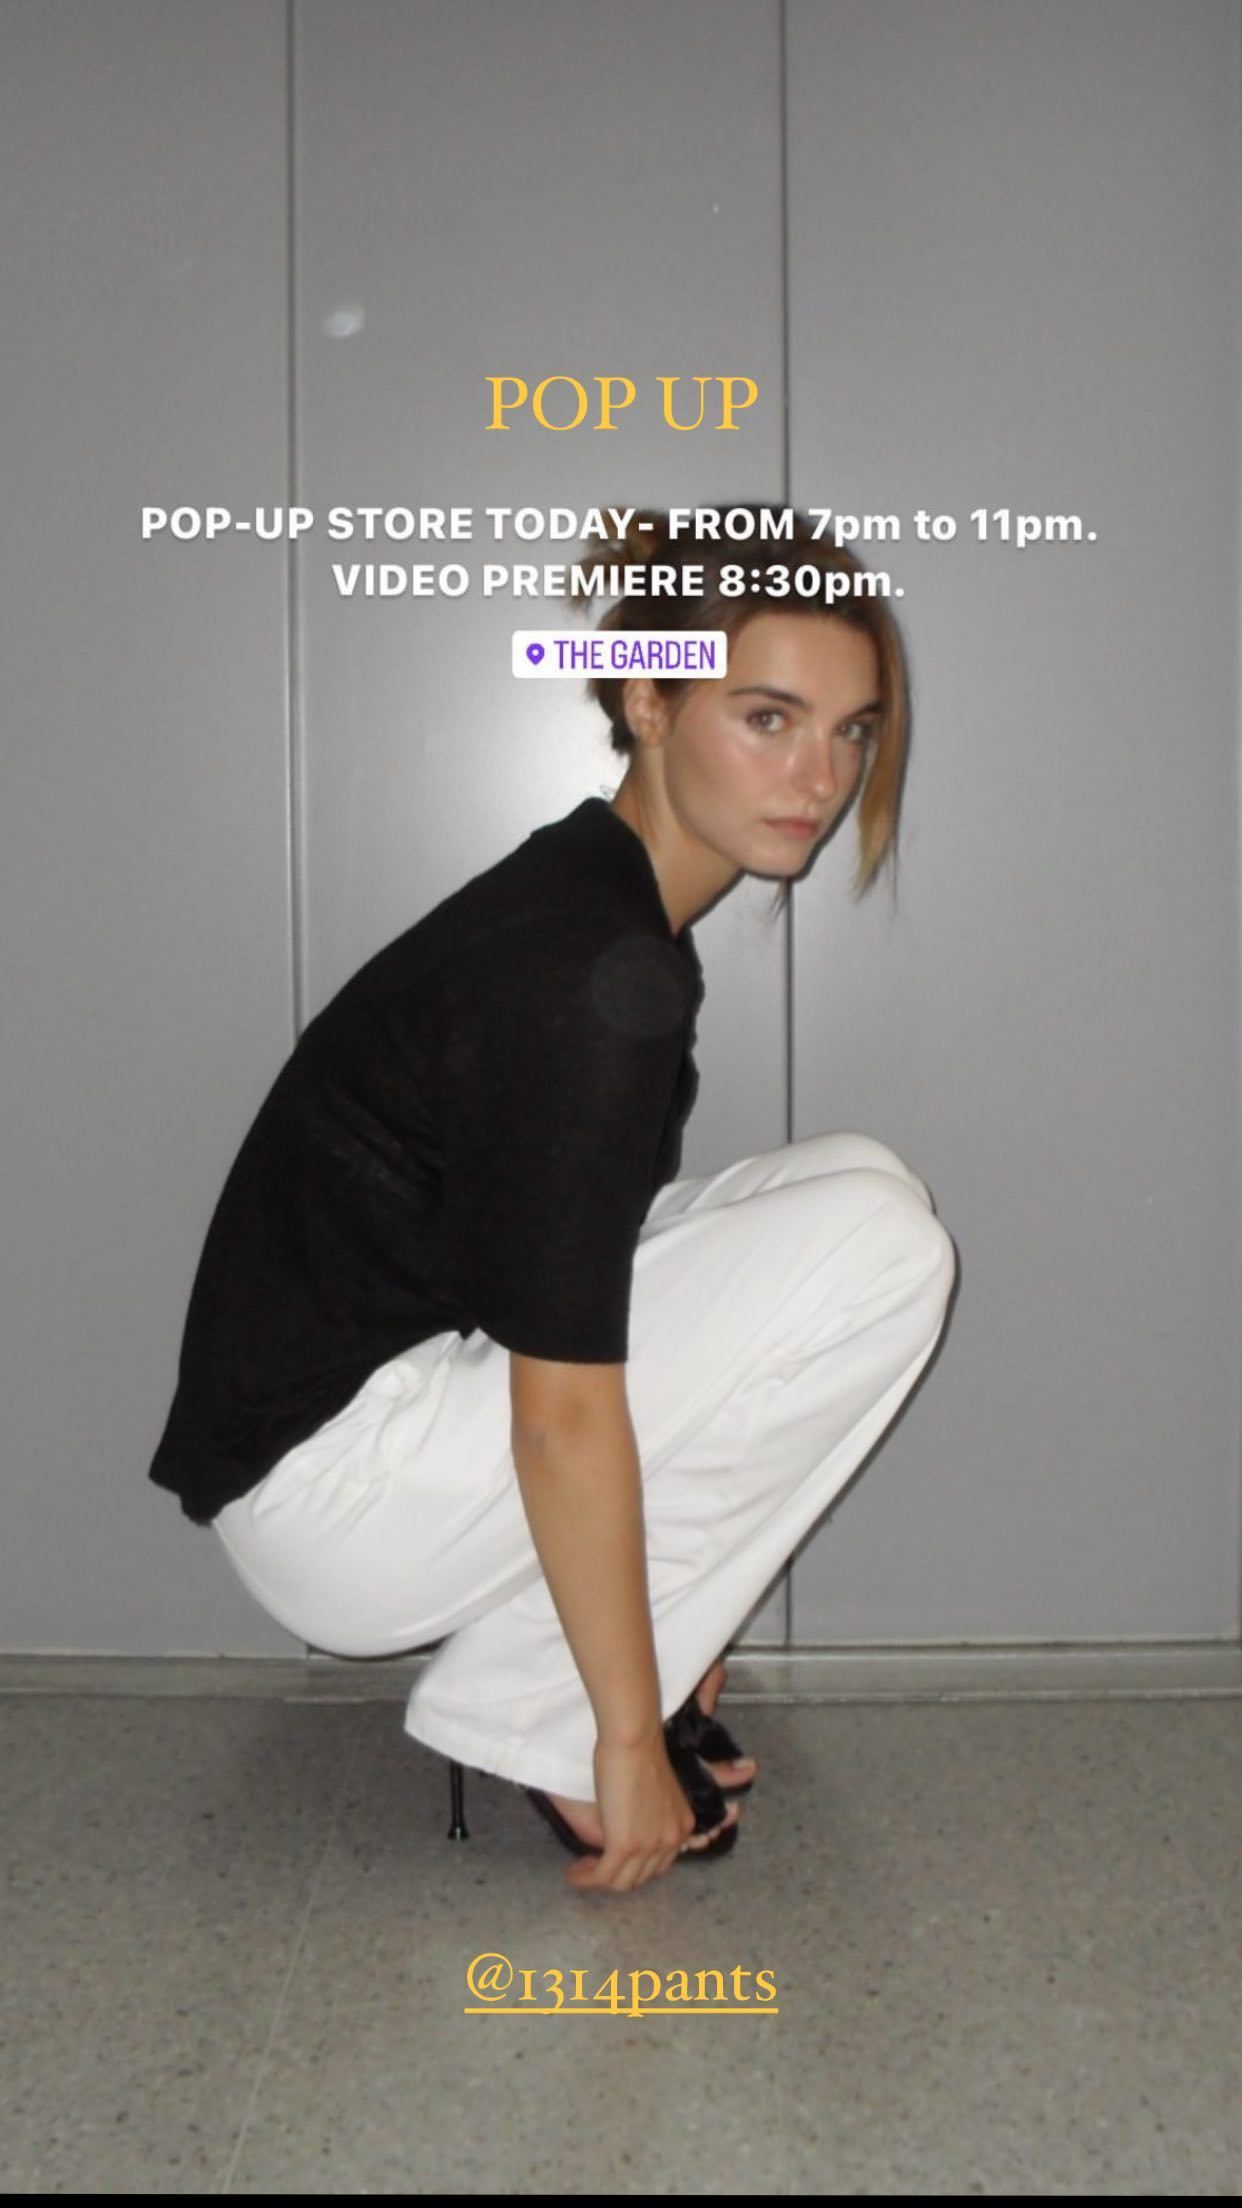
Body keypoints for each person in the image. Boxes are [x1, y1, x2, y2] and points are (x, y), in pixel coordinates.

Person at [147, 505, 958, 1896]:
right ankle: (557, 1719)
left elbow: (563, 1289)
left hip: (391, 1412)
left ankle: (606, 1670)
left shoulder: (599, 906)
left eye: (851, 731)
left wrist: (690, 1603)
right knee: (882, 1248)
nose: (819, 776)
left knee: (862, 1186)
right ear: (651, 701)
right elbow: (562, 1407)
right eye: (768, 718)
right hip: (340, 1490)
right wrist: (628, 1734)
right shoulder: (584, 974)